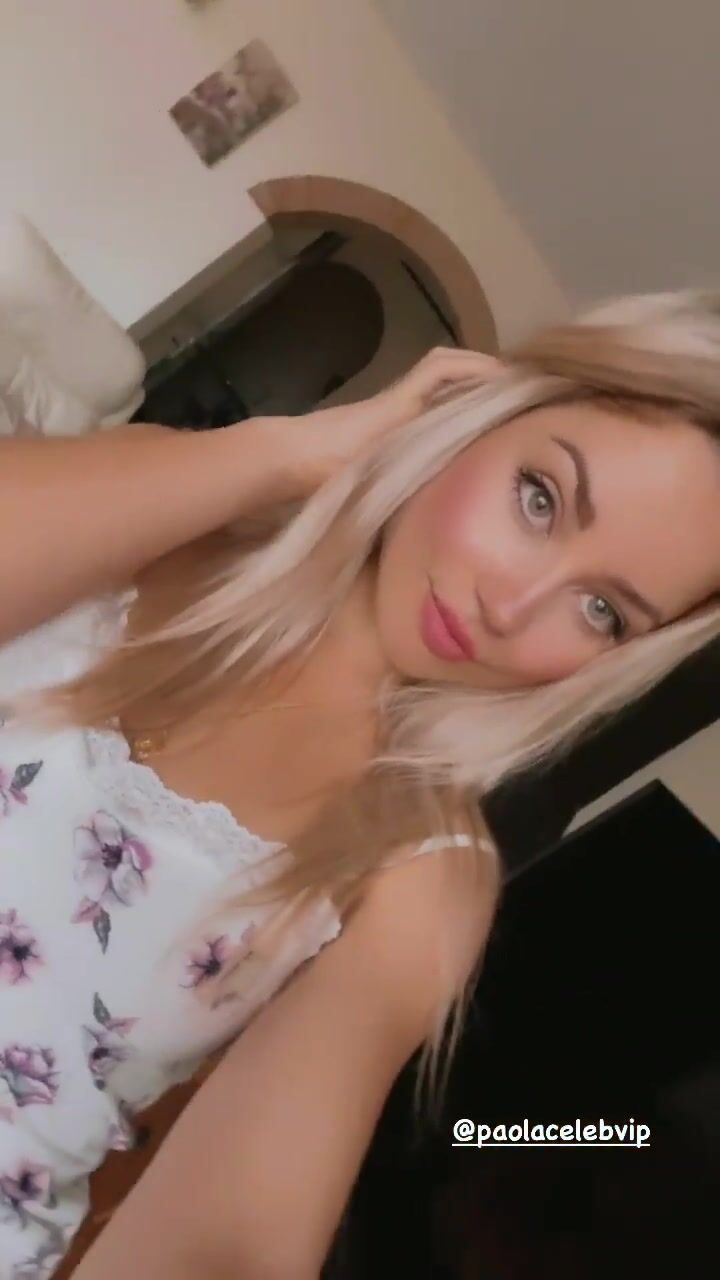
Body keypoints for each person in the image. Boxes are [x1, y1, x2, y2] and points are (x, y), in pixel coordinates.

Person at [1, 291, 719, 1280]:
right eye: (540, 499)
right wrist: (290, 451)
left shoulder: (423, 869)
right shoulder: (158, 511)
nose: (511, 606)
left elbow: (232, 1247)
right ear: (477, 414)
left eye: (602, 610)